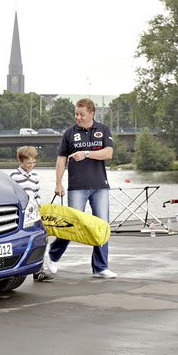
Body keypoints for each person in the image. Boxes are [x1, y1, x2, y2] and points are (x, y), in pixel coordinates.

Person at [45, 98, 117, 279]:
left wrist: (86, 154)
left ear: (91, 114)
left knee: (102, 226)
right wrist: (58, 183)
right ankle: (52, 257)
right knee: (70, 225)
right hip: (76, 187)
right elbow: (61, 159)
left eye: (81, 114)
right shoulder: (69, 133)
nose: (78, 117)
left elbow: (108, 153)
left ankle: (100, 267)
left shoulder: (103, 130)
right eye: (76, 114)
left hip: (100, 186)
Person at [9, 146, 53, 281]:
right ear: (21, 161)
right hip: (22, 213)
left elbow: (37, 194)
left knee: (40, 240)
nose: (31, 166)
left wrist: (39, 207)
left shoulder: (34, 177)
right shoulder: (14, 176)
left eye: (33, 163)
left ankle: (39, 270)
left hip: (33, 213)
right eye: (28, 163)